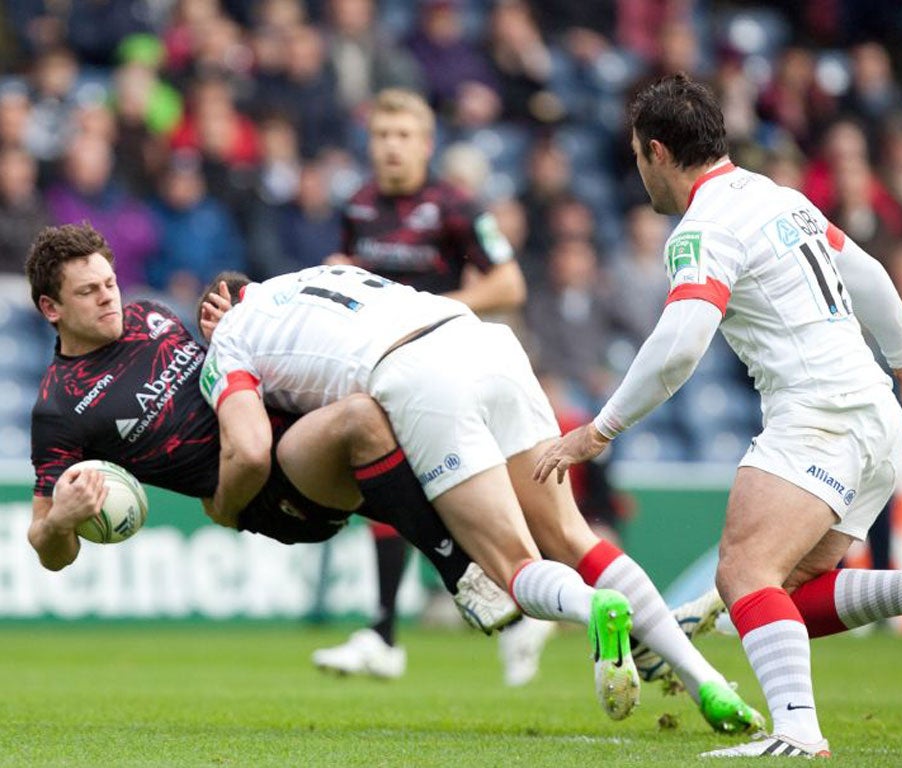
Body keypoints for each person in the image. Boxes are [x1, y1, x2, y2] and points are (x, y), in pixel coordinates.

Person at [535, 75, 902, 758]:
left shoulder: (700, 229)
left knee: (744, 577)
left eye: (639, 157)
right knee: (780, 595)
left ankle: (797, 733)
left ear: (659, 152)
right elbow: (868, 271)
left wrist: (598, 429)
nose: (639, 173)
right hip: (873, 412)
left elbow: (679, 345)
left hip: (820, 415)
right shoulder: (775, 196)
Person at [198, 264, 763, 731]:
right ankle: (706, 682)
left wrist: (225, 506)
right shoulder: (319, 274)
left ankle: (594, 609)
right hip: (483, 339)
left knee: (510, 567)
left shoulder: (229, 336)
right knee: (574, 536)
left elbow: (249, 446)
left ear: (219, 306)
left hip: (418, 374)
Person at [23, 222, 516, 637]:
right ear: (52, 308)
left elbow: (224, 376)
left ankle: (536, 573)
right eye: (88, 292)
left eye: (110, 283)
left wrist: (226, 337)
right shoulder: (59, 408)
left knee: (397, 405)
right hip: (267, 493)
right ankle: (459, 575)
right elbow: (49, 551)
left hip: (293, 432)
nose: (108, 298)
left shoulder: (149, 316)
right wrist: (62, 521)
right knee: (361, 419)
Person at [321, 87, 526, 678]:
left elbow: (509, 285)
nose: (391, 146)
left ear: (426, 143)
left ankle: (526, 603)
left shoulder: (457, 207)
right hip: (380, 369)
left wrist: (432, 307)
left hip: (444, 366)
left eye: (404, 135)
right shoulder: (357, 206)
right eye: (382, 135)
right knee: (382, 488)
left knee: (464, 496)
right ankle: (385, 632)